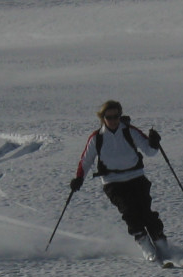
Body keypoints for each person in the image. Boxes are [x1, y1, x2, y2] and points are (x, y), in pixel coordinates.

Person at [71, 100, 169, 261]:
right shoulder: (97, 138)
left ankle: (161, 242)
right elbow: (86, 160)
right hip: (113, 182)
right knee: (129, 212)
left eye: (116, 116)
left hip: (136, 177)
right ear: (102, 118)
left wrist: (154, 142)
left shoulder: (129, 131)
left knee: (146, 212)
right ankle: (145, 244)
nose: (113, 120)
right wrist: (79, 178)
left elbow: (150, 151)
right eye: (109, 117)